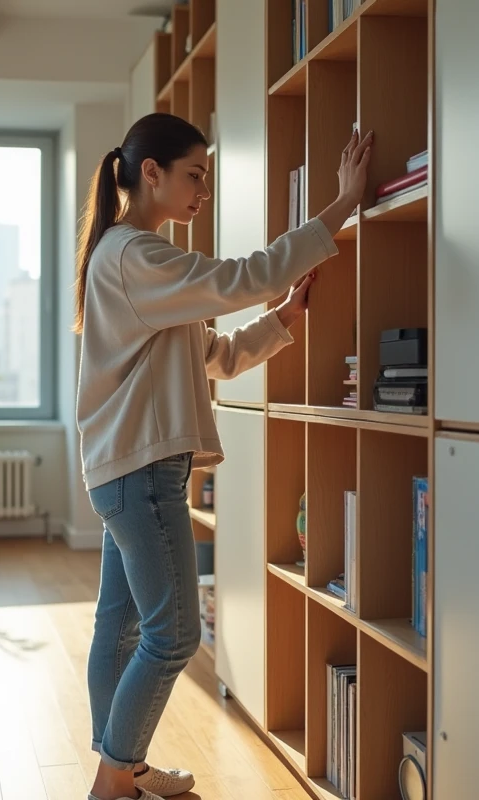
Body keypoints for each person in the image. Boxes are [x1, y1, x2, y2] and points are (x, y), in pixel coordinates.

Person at [74, 112, 373, 800]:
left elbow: (216, 356)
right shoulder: (136, 256)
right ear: (151, 174)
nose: (203, 190)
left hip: (125, 473)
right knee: (174, 636)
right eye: (195, 175)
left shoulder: (141, 265)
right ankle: (114, 780)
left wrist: (284, 321)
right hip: (142, 475)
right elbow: (244, 275)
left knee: (119, 628)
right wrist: (344, 202)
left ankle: (124, 767)